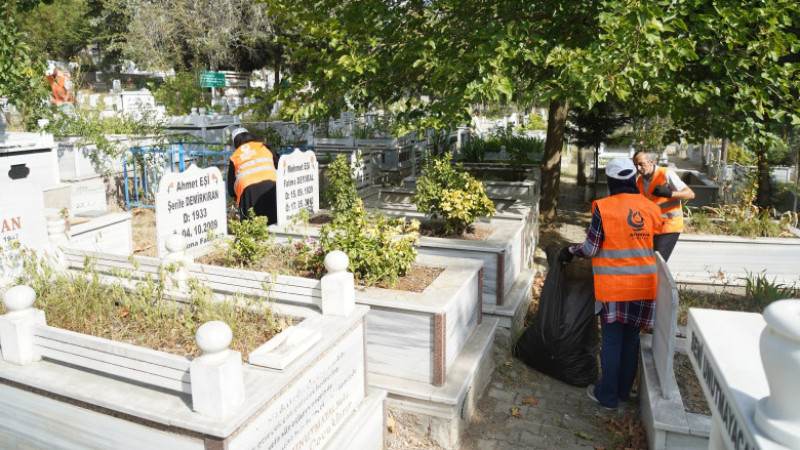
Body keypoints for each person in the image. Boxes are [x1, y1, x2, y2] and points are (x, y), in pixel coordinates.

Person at [560, 157, 664, 410]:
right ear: (632, 178)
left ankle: (606, 397)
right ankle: (621, 393)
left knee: (613, 342)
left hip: (615, 287)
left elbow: (591, 247)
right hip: (645, 286)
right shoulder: (651, 207)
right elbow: (656, 242)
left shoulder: (604, 207)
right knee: (631, 341)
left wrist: (570, 250)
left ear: (612, 181)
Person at [632, 150, 695, 261]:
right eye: (635, 165)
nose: (638, 168)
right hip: (651, 230)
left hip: (669, 228)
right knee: (647, 264)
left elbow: (690, 194)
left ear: (651, 162)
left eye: (641, 164)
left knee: (657, 264)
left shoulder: (666, 174)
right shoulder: (640, 181)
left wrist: (669, 193)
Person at [226, 127, 279, 224]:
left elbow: (230, 187)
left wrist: (234, 195)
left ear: (235, 142)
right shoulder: (264, 146)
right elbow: (277, 163)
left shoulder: (235, 156)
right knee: (273, 220)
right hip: (271, 186)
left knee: (252, 225)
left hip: (248, 192)